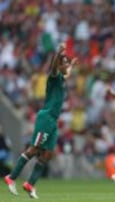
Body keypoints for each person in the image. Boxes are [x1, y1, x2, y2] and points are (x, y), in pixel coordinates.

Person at [4, 44, 77, 199]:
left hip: (53, 121)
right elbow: (54, 67)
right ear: (58, 64)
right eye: (64, 62)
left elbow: (67, 72)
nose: (66, 65)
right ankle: (11, 177)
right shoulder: (53, 76)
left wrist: (71, 65)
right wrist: (58, 54)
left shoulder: (62, 77)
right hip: (46, 117)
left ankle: (30, 184)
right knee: (34, 149)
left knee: (47, 154)